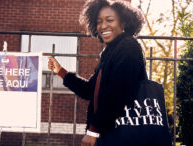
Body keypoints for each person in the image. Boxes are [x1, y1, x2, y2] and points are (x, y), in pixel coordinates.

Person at [48, 0, 146, 145]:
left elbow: (117, 94)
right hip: (109, 131)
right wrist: (60, 71)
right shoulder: (110, 51)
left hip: (121, 133)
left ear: (124, 23)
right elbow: (89, 90)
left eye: (110, 20)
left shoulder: (128, 47)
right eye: (99, 21)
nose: (103, 26)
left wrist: (94, 130)